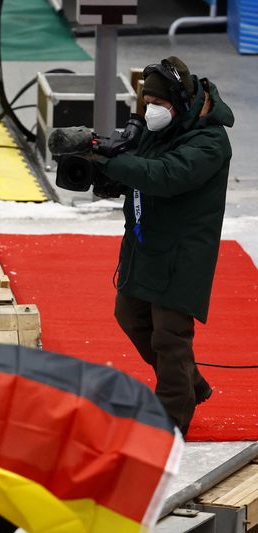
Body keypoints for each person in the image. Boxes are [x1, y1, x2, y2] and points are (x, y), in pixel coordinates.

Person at [92, 56, 234, 436]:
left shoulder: (210, 141)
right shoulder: (163, 127)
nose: (151, 110)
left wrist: (107, 162)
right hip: (146, 244)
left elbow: (166, 175)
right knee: (130, 316)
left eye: (159, 103)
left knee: (170, 337)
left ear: (181, 102)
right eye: (148, 102)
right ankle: (191, 383)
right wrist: (104, 164)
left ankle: (171, 420)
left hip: (183, 254)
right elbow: (140, 166)